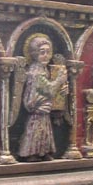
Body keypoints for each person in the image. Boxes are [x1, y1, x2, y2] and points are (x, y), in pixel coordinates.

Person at [18, 33, 67, 161]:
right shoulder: (36, 71)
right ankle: (31, 153)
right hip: (36, 107)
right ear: (34, 54)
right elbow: (49, 90)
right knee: (35, 130)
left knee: (44, 130)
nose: (46, 55)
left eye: (48, 52)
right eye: (42, 52)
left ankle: (43, 152)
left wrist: (62, 89)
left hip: (44, 108)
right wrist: (59, 81)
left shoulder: (44, 69)